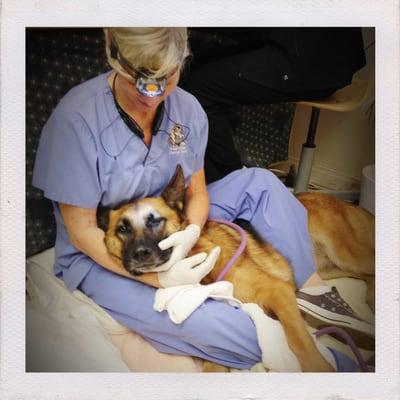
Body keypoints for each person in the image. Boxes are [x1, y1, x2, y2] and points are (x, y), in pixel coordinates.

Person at [32, 27, 368, 372]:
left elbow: (198, 192)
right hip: (104, 246)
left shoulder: (187, 108)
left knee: (261, 182)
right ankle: (330, 364)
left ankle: (311, 290)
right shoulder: (76, 119)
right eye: (139, 79)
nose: (152, 96)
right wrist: (158, 280)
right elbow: (82, 231)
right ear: (113, 55)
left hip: (170, 220)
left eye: (167, 77)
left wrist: (190, 231)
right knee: (226, 330)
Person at [183, 27, 367, 183]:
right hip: (321, 51)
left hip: (312, 60)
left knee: (198, 88)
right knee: (195, 56)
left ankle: (233, 184)